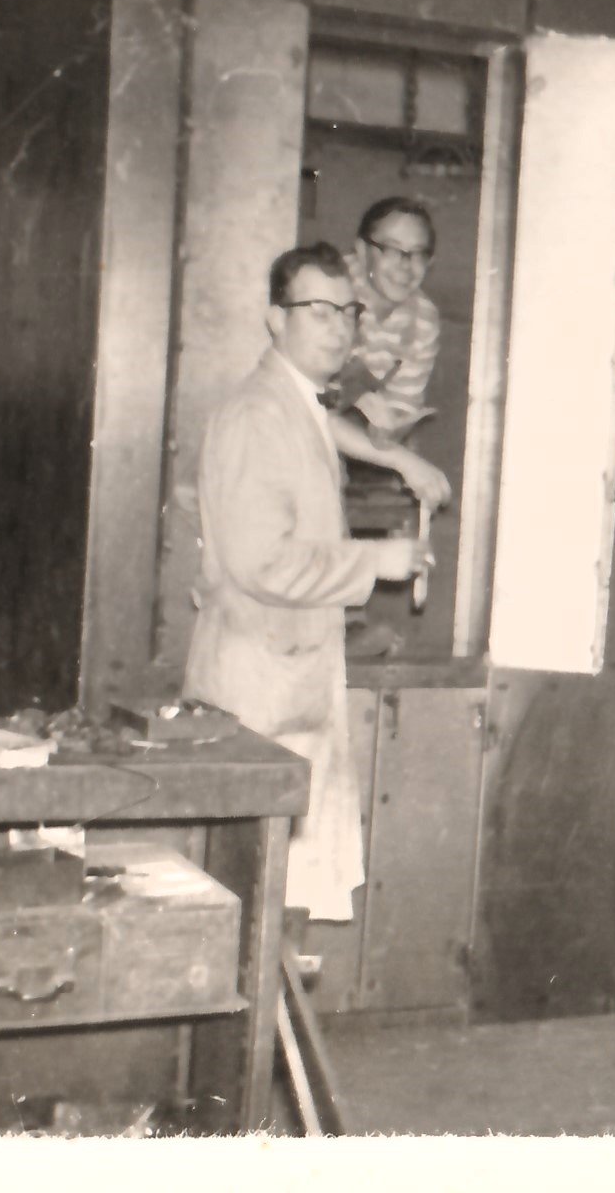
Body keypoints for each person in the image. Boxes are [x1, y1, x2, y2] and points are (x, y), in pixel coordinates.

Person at [185, 243, 439, 932]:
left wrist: (400, 459)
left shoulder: (296, 405)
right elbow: (262, 563)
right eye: (318, 311)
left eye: (348, 312)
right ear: (276, 319)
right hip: (260, 699)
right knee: (258, 909)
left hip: (289, 693)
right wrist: (374, 561)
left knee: (282, 908)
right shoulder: (257, 415)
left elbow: (329, 429)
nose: (339, 328)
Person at [338, 197, 442, 449]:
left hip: (357, 435)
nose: (405, 265)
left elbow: (402, 404)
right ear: (362, 251)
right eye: (392, 249)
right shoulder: (333, 287)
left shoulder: (424, 320)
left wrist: (394, 428)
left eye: (418, 254)